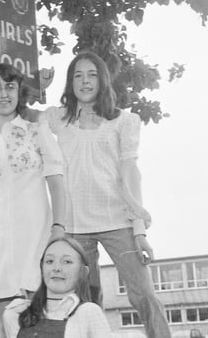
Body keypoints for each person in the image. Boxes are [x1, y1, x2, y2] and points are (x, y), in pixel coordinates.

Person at [38, 52, 170, 338]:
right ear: (70, 82)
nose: (85, 81)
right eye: (77, 75)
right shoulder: (57, 119)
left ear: (102, 80)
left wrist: (139, 230)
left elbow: (130, 174)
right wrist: (38, 87)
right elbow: (25, 117)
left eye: (91, 75)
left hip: (117, 221)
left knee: (145, 295)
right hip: (75, 228)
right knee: (87, 303)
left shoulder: (123, 121)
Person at [0, 63, 67, 338]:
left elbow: (57, 183)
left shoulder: (37, 130)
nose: (3, 94)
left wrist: (58, 229)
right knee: (6, 327)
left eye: (10, 86)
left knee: (42, 325)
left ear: (19, 91)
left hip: (36, 235)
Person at [3, 237, 112, 338]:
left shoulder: (88, 312)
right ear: (41, 269)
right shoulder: (16, 313)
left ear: (83, 272)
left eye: (67, 262)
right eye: (50, 261)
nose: (57, 268)